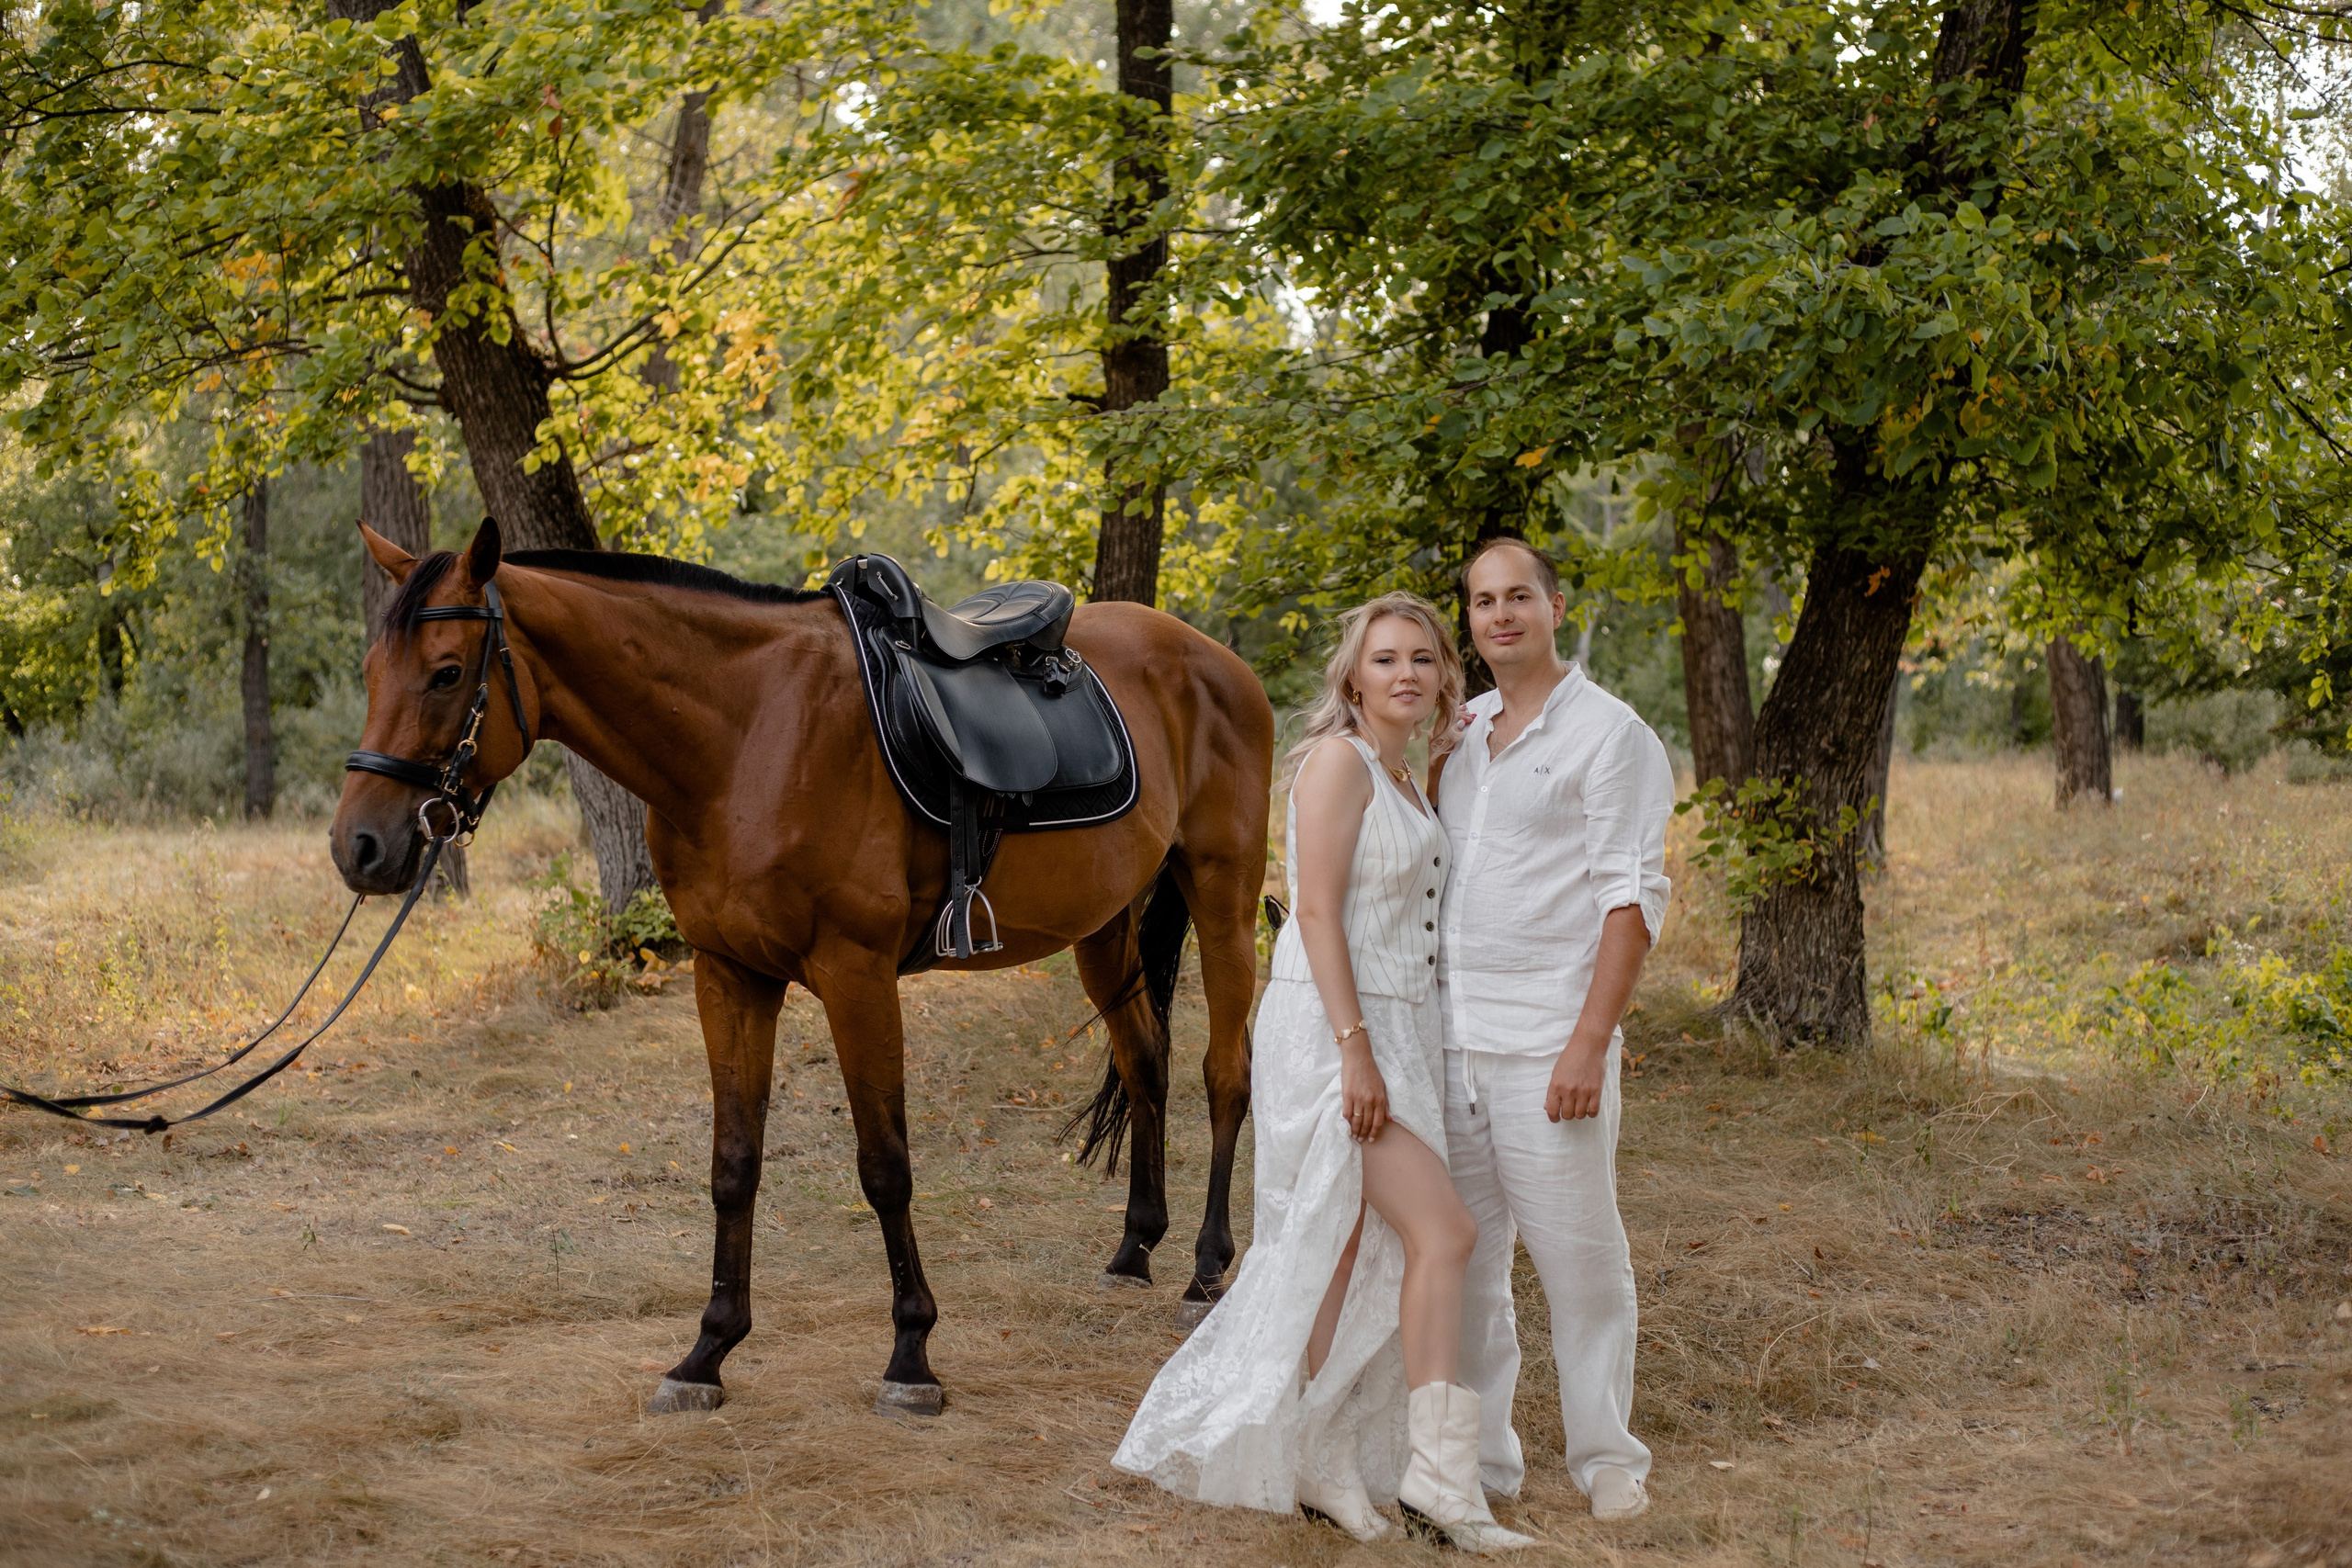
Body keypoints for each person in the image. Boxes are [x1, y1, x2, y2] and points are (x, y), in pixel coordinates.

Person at [1114, 592, 1533, 1552]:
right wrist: (1354, 1051)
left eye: (1423, 660)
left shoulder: (1405, 773)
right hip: (1335, 1026)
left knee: (1344, 1251)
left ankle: (1319, 1453)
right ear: (1353, 676)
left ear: (1443, 678)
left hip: (1399, 1025)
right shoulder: (1337, 764)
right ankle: (1442, 1484)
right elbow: (1313, 915)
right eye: (1385, 659)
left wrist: (1435, 764)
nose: (1406, 675)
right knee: (1443, 1231)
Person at [1432, 536, 1673, 1522]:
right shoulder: (1459, 730)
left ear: (1556, 606)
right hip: (1450, 1042)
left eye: (1518, 596)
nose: (1500, 615)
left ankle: (1607, 1458)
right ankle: (1485, 1461)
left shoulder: (1611, 736)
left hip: (1548, 1045)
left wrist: (1588, 1042)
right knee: (1469, 1262)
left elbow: (1632, 899)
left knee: (1579, 1258)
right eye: (1484, 601)